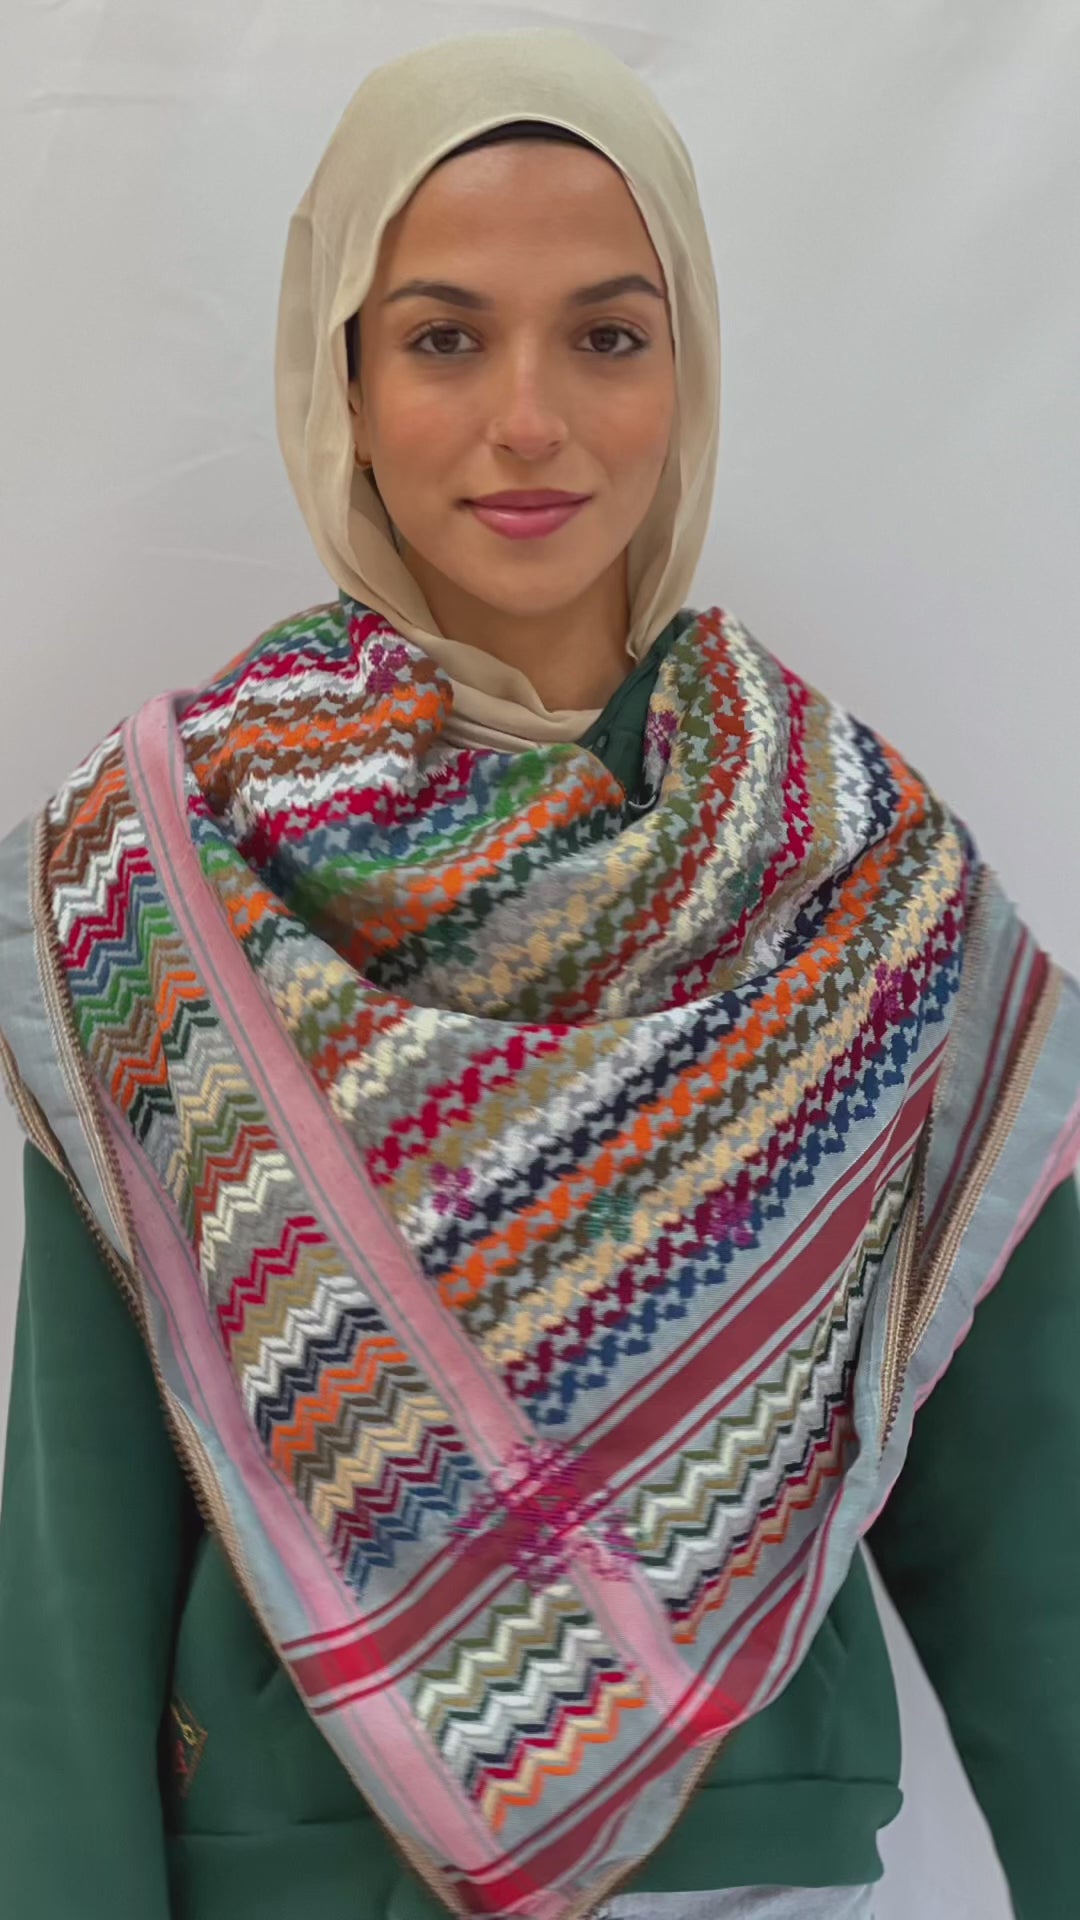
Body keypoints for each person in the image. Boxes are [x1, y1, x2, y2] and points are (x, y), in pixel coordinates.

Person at [0, 28, 1078, 1920]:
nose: (530, 422)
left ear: (688, 368)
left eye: (606, 335)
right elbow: (80, 1508)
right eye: (442, 338)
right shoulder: (170, 860)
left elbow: (1025, 1508)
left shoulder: (859, 869)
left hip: (752, 1863)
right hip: (297, 1864)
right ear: (340, 375)